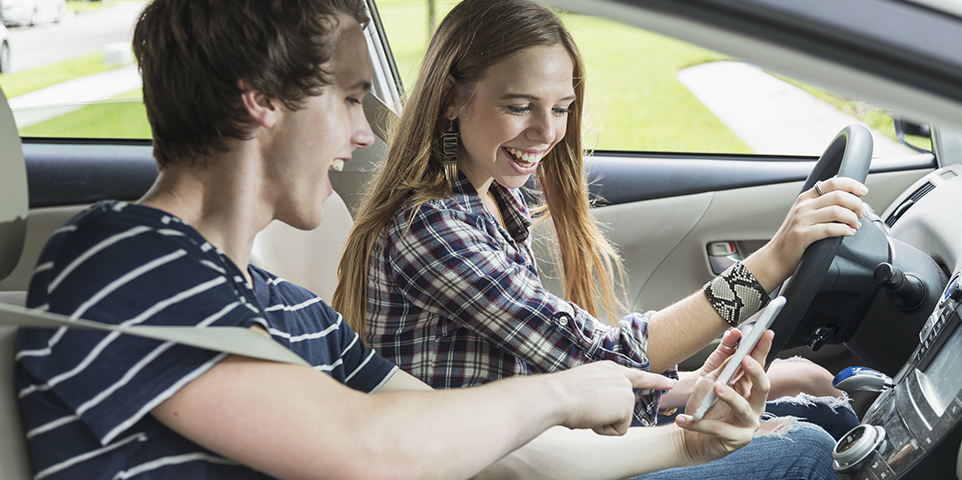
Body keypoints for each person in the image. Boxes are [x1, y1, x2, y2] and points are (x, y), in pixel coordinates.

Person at [13, 0, 790, 479]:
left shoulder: (293, 314)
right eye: (351, 98)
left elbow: (502, 454)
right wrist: (565, 388)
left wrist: (689, 447)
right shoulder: (121, 259)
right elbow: (371, 450)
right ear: (260, 100)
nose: (362, 132)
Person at [334, 0, 860, 457]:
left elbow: (546, 369)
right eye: (520, 107)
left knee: (813, 379)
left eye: (561, 109)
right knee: (816, 441)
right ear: (451, 97)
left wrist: (698, 383)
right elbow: (602, 359)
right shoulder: (433, 230)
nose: (546, 133)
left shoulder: (491, 199)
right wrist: (773, 261)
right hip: (508, 460)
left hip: (544, 436)